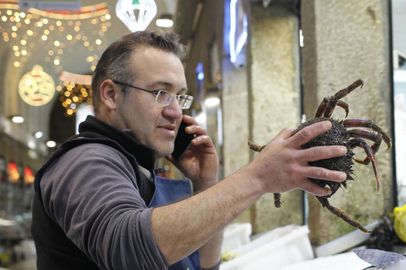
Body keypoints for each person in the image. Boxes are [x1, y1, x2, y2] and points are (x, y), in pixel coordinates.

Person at [31, 31, 348, 270]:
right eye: (159, 93)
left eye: (179, 97)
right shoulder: (86, 161)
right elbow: (128, 249)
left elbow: (203, 265)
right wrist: (259, 176)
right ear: (111, 95)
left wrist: (205, 184)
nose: (175, 112)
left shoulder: (135, 164)